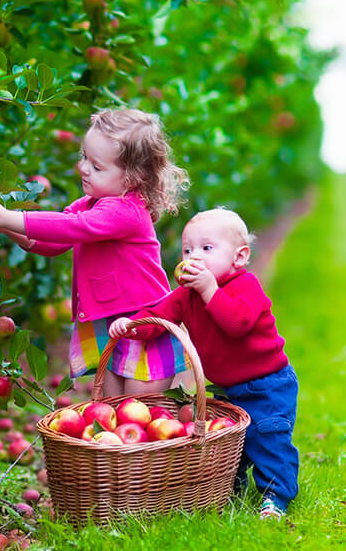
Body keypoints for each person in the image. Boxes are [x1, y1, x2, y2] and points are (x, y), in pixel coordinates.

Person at [0, 108, 189, 398]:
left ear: (133, 178)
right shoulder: (91, 202)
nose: (83, 168)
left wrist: (8, 217)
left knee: (139, 410)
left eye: (97, 166)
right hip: (108, 321)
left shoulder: (127, 212)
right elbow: (55, 243)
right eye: (84, 157)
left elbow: (74, 227)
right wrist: (5, 227)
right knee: (111, 409)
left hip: (142, 324)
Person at [108, 207, 299, 519]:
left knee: (268, 439)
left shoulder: (245, 286)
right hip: (228, 387)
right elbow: (159, 318)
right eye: (187, 249)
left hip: (268, 384)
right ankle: (227, 489)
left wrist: (210, 290)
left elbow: (237, 323)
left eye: (206, 248)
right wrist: (130, 326)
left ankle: (275, 497)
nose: (194, 256)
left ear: (239, 257)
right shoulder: (187, 295)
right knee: (230, 442)